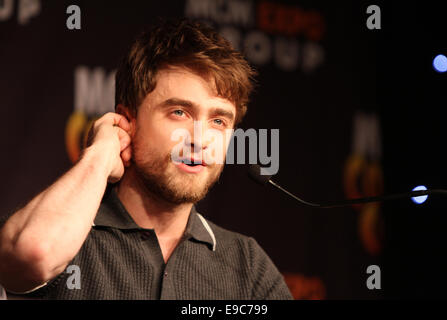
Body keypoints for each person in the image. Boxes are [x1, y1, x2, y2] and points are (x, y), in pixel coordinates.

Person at [0, 19, 293, 300]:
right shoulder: (64, 232)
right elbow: (32, 254)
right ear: (128, 121)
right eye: (179, 112)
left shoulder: (248, 266)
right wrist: (101, 153)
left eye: (218, 121)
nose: (200, 139)